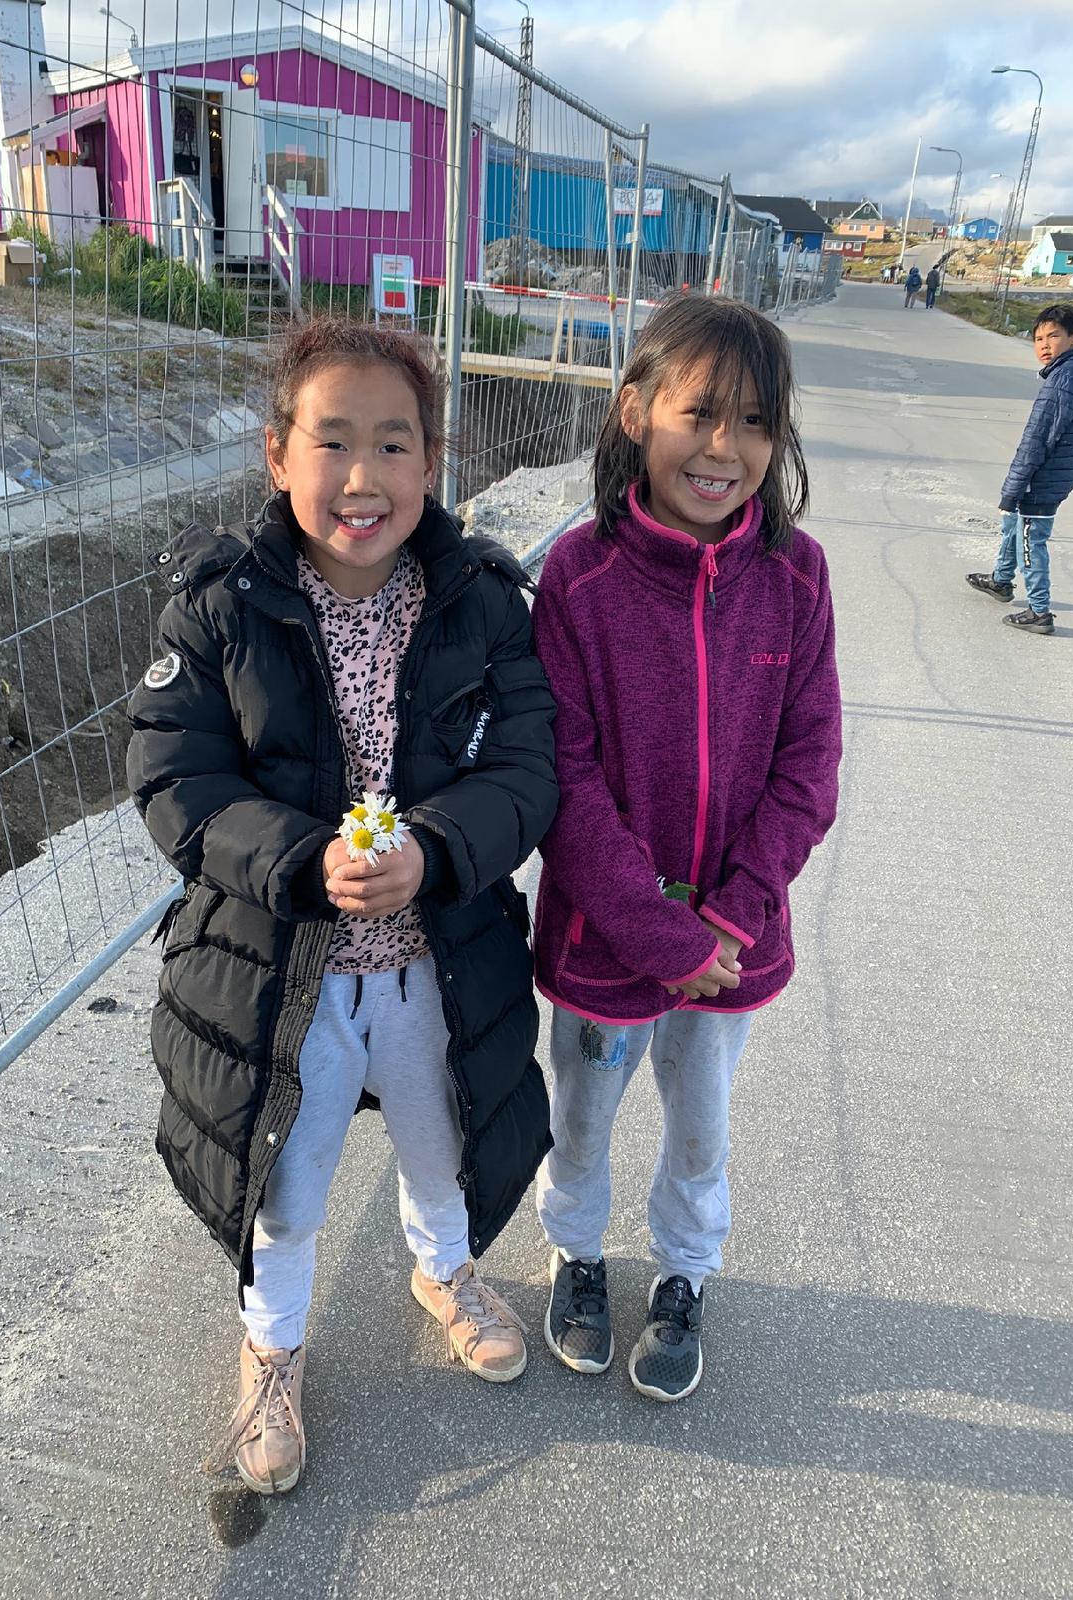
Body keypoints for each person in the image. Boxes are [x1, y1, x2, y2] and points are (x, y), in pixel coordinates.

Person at [126, 319, 558, 1493]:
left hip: (435, 951)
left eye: (394, 444)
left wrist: (437, 850)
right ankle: (271, 1350)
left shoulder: (482, 601)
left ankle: (448, 1267)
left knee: (445, 1136)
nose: (363, 478)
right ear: (277, 454)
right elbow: (177, 776)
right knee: (287, 1171)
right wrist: (302, 859)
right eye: (332, 442)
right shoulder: (220, 607)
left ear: (433, 461)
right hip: (283, 965)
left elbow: (526, 771)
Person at [530, 295, 842, 1403]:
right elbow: (561, 778)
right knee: (582, 1112)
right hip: (605, 939)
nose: (724, 448)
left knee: (700, 1126)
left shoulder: (798, 579)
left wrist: (731, 916)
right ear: (635, 410)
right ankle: (574, 1250)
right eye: (698, 411)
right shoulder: (577, 578)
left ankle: (684, 1273)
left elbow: (811, 767)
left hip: (731, 946)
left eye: (754, 421)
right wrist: (656, 930)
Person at [966, 303, 1073, 634]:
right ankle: (1001, 580)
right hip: (1050, 475)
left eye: (1054, 336)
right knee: (1013, 524)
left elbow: (1038, 440)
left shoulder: (1062, 380)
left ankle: (1040, 611)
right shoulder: (1069, 373)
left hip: (1043, 480)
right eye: (1038, 339)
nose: (1045, 345)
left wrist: (1013, 488)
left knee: (1030, 540)